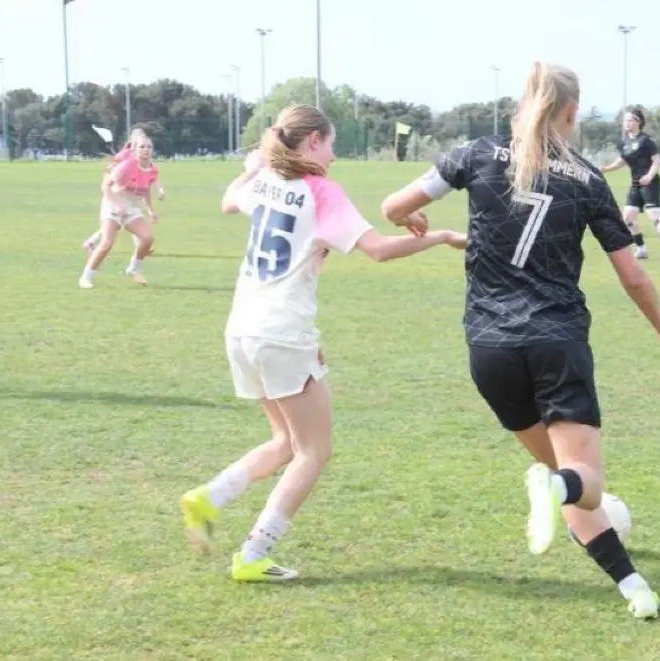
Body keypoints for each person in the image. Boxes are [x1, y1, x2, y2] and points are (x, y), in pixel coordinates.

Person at [378, 62, 660, 620]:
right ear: (571, 113)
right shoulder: (588, 179)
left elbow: (393, 206)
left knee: (566, 478)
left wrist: (421, 223)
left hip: (489, 349)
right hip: (556, 339)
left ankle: (634, 588)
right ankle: (561, 493)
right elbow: (632, 275)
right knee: (583, 481)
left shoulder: (477, 153)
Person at [179, 104, 465, 582]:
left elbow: (230, 200)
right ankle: (253, 554)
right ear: (312, 141)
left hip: (243, 330)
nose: (334, 156)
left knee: (287, 442)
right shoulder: (320, 191)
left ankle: (209, 498)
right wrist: (441, 237)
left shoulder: (266, 181)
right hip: (281, 332)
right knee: (315, 451)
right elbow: (378, 250)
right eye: (330, 144)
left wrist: (251, 168)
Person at [78, 134, 160, 288]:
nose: (146, 149)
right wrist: (117, 204)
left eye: (149, 146)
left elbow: (147, 189)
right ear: (134, 150)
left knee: (147, 239)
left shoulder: (153, 170)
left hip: (131, 208)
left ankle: (133, 268)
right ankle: (86, 277)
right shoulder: (127, 165)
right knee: (107, 242)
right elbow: (106, 186)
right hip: (112, 204)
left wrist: (150, 210)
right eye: (142, 147)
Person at [601, 107, 660, 262]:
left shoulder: (646, 140)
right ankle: (641, 249)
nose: (626, 123)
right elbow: (623, 161)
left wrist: (649, 176)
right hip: (636, 184)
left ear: (638, 122)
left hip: (650, 183)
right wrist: (605, 169)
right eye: (625, 120)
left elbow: (657, 161)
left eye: (629, 120)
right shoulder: (625, 141)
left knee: (654, 215)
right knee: (627, 218)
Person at [83, 127, 166, 253]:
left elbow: (150, 175)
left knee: (130, 219)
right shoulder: (123, 155)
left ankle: (91, 242)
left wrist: (159, 189)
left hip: (132, 193)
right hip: (118, 193)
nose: (145, 147)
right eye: (140, 141)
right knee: (121, 221)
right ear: (133, 141)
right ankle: (92, 242)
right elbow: (110, 173)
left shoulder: (142, 155)